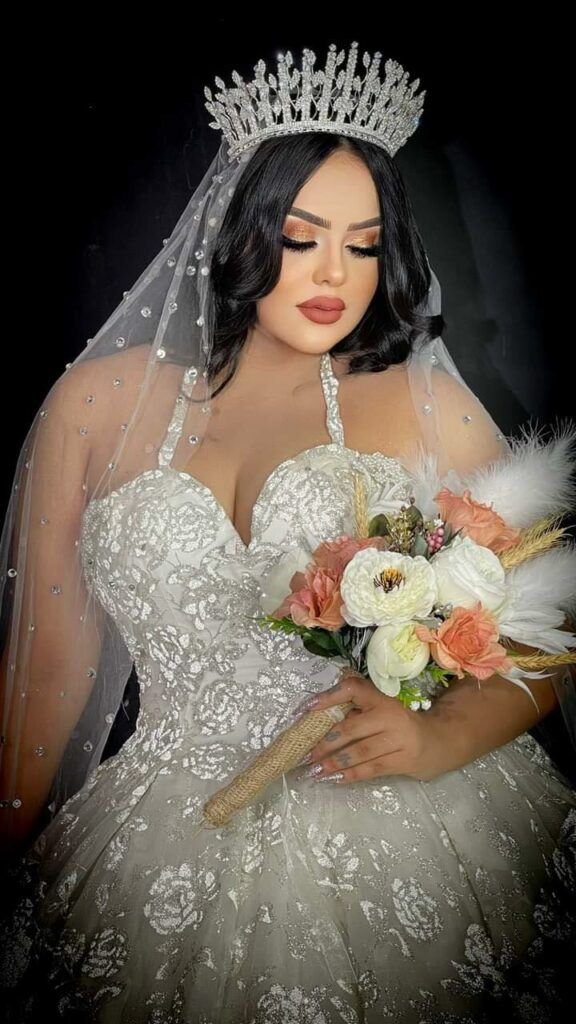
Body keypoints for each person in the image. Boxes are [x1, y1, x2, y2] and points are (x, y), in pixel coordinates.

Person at [0, 41, 575, 1022]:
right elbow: (50, 669)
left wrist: (440, 736)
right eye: (301, 237)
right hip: (161, 822)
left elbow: (545, 626)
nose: (335, 274)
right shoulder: (96, 407)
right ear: (237, 231)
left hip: (400, 811)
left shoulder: (423, 406)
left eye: (364, 244)